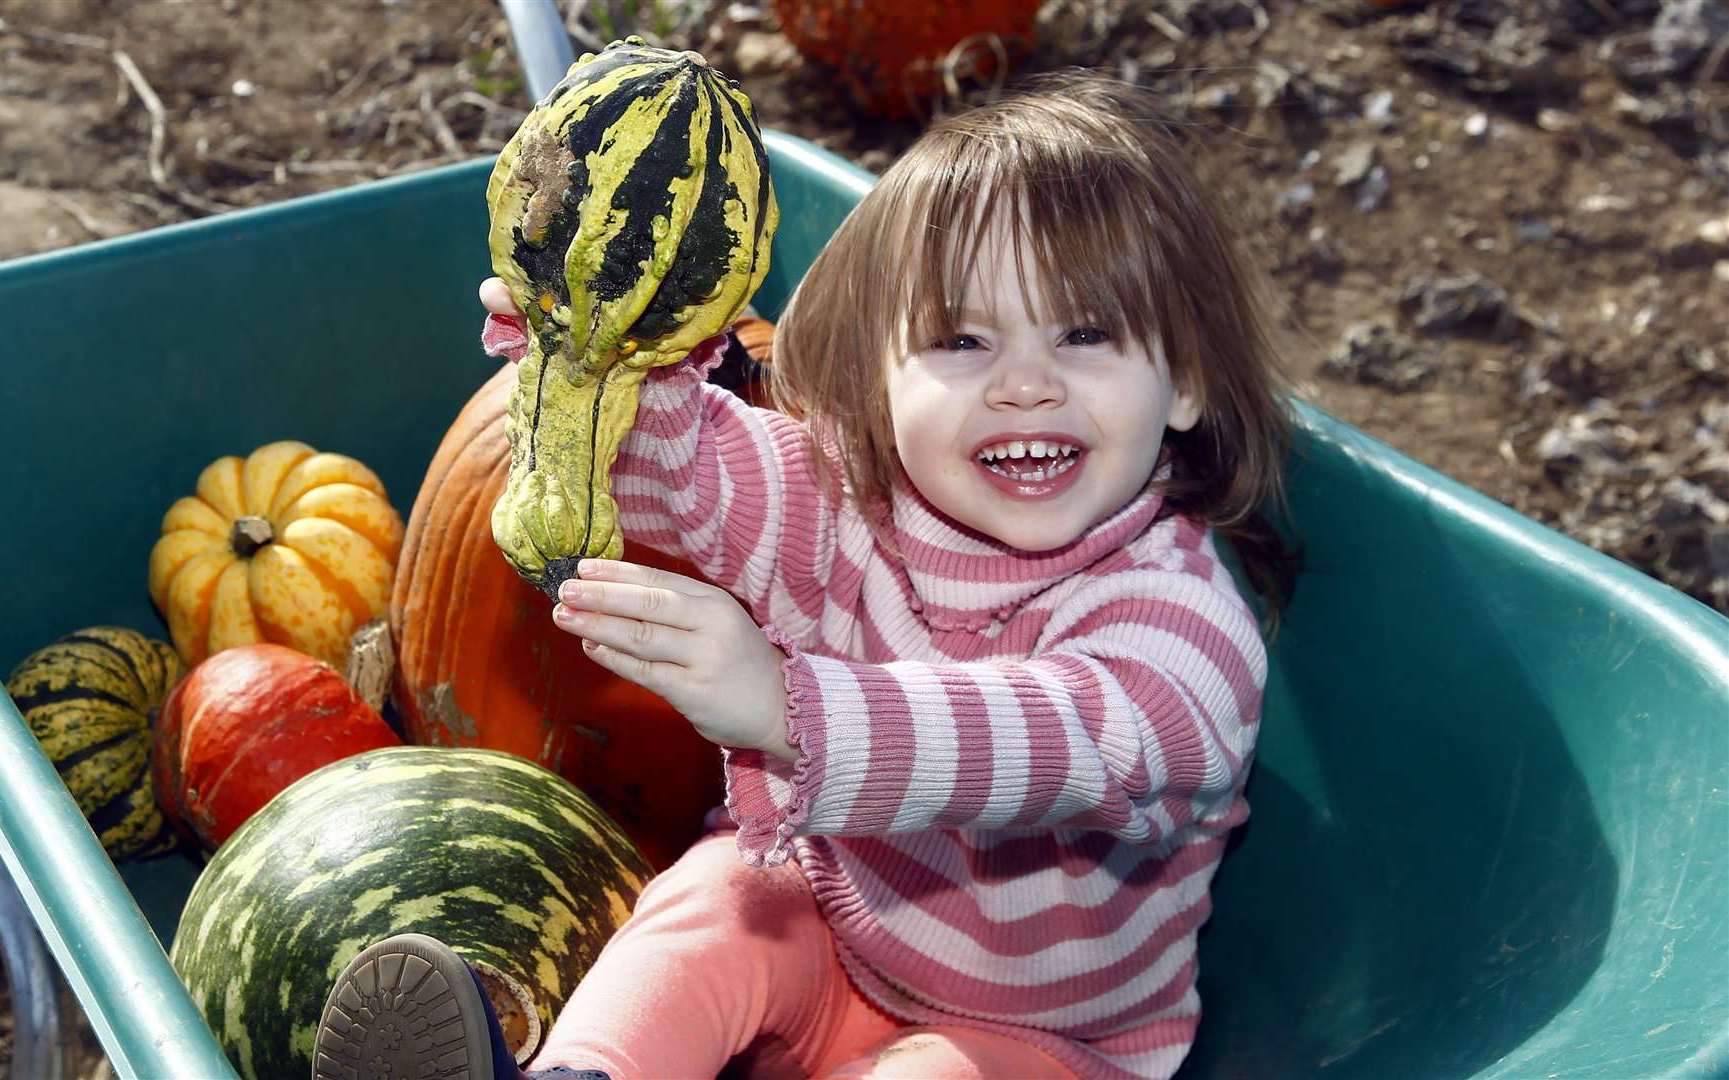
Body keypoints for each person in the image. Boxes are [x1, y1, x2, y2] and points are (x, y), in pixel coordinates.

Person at [315, 68, 1296, 1080]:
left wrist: (793, 711)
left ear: (1185, 379)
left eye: (1085, 335)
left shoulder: (1186, 628)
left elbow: (1069, 740)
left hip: (1036, 1042)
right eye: (962, 340)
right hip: (826, 919)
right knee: (709, 913)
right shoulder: (841, 502)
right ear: (880, 380)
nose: (1024, 385)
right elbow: (685, 464)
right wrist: (580, 358)